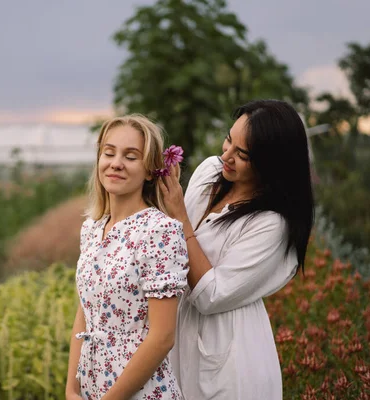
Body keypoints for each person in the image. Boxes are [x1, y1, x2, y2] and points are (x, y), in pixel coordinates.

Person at [161, 99, 315, 399]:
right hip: (179, 335)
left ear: (271, 162)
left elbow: (209, 295)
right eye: (229, 140)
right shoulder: (208, 173)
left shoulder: (271, 224)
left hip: (230, 353)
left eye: (241, 153)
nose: (226, 155)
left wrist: (179, 216)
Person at [66, 114, 189, 400]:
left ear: (149, 170)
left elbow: (162, 337)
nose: (116, 163)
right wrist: (72, 387)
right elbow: (85, 314)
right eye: (109, 153)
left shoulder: (160, 231)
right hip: (90, 387)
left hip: (139, 392)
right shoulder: (92, 229)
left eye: (130, 156)